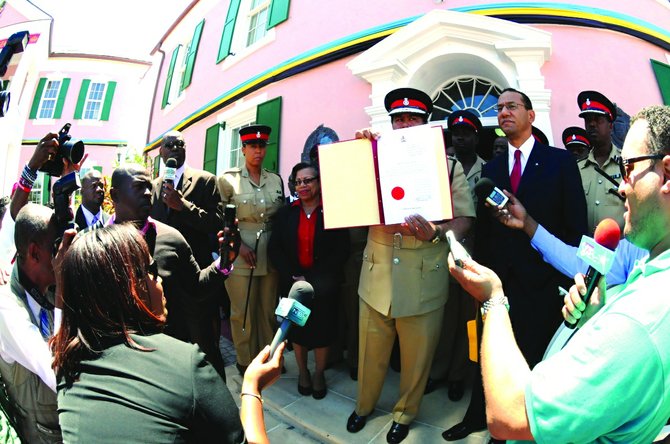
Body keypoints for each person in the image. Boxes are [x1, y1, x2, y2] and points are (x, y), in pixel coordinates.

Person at [448, 105, 670, 442]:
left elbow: (510, 413)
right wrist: (528, 224)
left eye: (628, 169)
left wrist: (493, 299)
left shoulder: (634, 325)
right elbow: (581, 260)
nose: (621, 188)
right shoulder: (639, 250)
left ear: (666, 174)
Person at [53, 223, 286, 443]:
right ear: (128, 287)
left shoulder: (66, 366)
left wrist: (224, 262)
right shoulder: (186, 364)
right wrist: (252, 387)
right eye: (151, 270)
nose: (159, 279)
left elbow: (196, 284)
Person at [447, 88, 588, 441]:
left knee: (537, 362)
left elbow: (575, 228)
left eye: (512, 106)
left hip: (542, 284)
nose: (504, 112)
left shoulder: (559, 162)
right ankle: (481, 417)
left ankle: (528, 427)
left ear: (531, 115)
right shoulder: (490, 169)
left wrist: (567, 279)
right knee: (490, 355)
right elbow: (483, 231)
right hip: (499, 283)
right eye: (499, 108)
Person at [346, 87, 475, 444]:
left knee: (418, 357)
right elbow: (349, 198)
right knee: (370, 351)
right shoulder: (373, 158)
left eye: (412, 118)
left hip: (423, 274)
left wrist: (438, 232)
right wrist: (359, 155)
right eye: (398, 118)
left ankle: (405, 413)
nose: (404, 124)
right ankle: (363, 406)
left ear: (425, 124)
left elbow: (465, 218)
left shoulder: (447, 166)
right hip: (377, 273)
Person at [110, 165, 228, 377]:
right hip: (121, 367)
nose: (148, 193)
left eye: (149, 186)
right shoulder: (96, 245)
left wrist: (225, 262)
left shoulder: (171, 238)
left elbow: (197, 287)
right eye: (139, 187)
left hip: (170, 361)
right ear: (114, 195)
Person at [269, 162, 349, 399]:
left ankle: (319, 373)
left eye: (308, 180)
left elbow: (341, 251)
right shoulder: (286, 213)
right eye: (298, 181)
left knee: (323, 331)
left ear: (319, 182)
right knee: (298, 330)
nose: (303, 186)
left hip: (323, 286)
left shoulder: (332, 212)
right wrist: (293, 277)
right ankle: (303, 371)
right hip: (293, 285)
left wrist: (311, 278)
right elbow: (276, 249)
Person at [150, 130, 225, 378]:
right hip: (164, 283)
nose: (174, 148)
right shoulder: (153, 187)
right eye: (168, 144)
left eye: (179, 144)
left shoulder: (205, 180)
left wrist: (184, 207)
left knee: (205, 344)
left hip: (197, 277)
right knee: (173, 344)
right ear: (160, 152)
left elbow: (217, 223)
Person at [218, 125, 285, 375]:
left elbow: (280, 217)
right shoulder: (227, 179)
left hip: (270, 252)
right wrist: (239, 244)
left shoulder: (275, 179)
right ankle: (246, 360)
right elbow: (220, 218)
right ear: (243, 149)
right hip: (240, 252)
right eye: (252, 146)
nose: (258, 151)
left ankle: (268, 356)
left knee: (268, 309)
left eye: (261, 146)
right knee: (242, 310)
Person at [426, 110, 484, 398]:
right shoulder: (437, 167)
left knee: (466, 317)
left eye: (466, 133)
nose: (460, 138)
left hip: (474, 253)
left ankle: (459, 375)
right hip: (440, 251)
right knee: (442, 318)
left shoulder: (487, 169)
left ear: (476, 136)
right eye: (456, 133)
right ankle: (437, 371)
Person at [0, 204, 61, 442]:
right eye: (57, 247)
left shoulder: (44, 285)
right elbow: (58, 375)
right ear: (34, 253)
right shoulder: (7, 308)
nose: (63, 255)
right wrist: (64, 291)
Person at [576, 90, 626, 234]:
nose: (591, 124)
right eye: (588, 120)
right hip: (586, 248)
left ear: (610, 126)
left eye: (598, 119)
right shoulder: (577, 169)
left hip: (621, 249)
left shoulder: (627, 164)